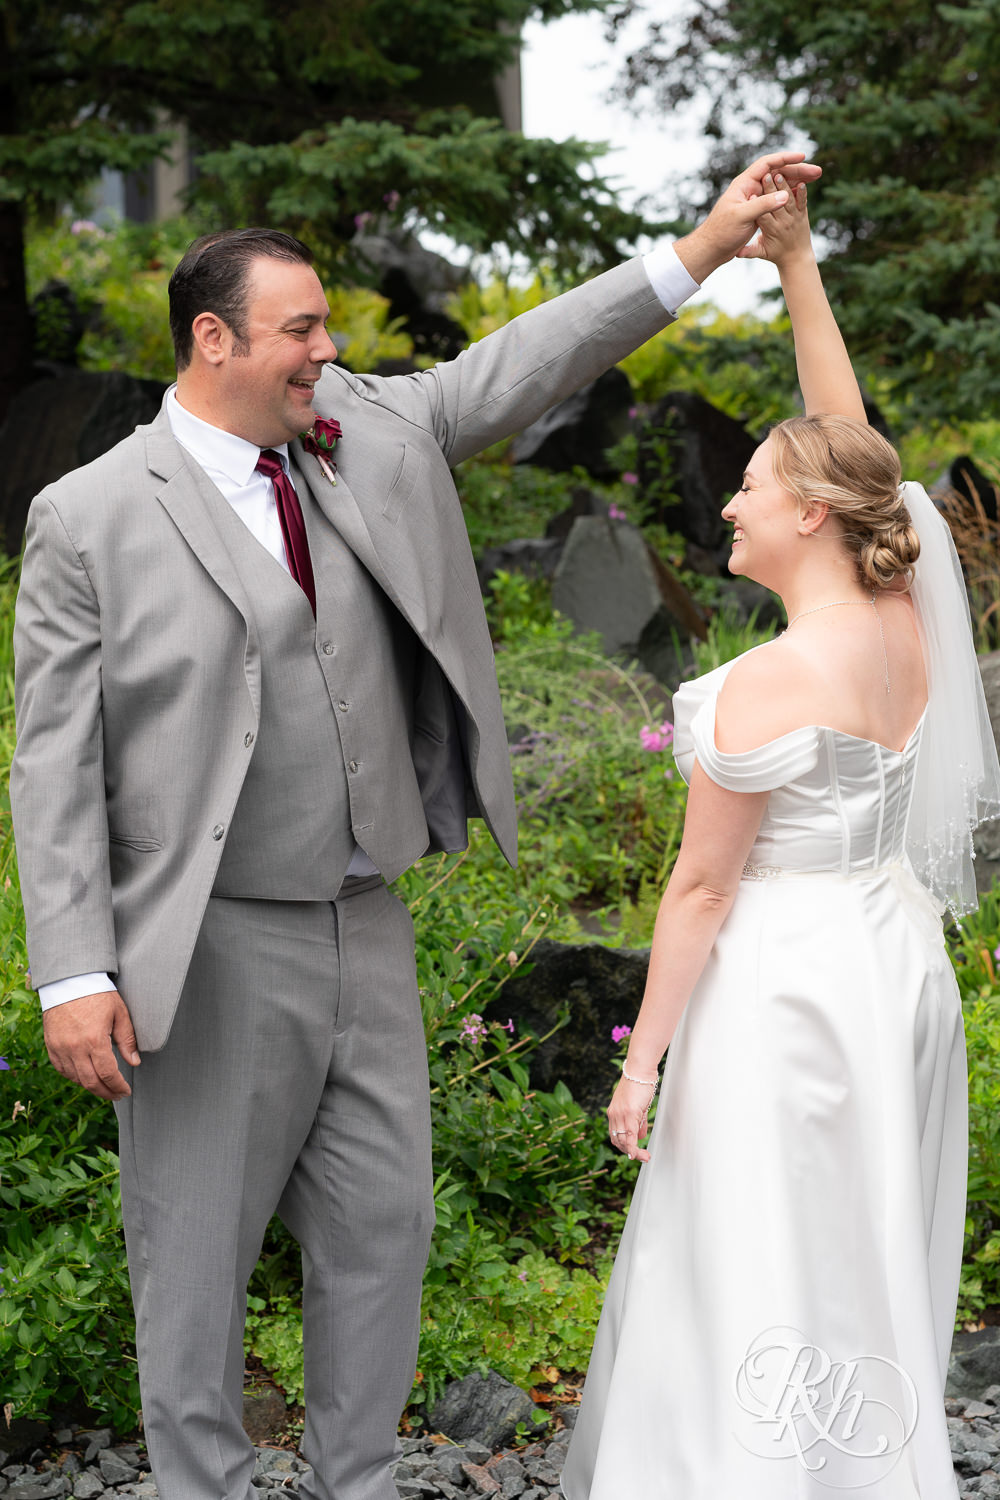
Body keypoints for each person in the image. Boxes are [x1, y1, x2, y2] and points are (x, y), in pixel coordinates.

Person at [9, 155, 817, 1500]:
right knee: (195, 1254)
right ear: (214, 341)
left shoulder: (362, 430)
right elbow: (54, 759)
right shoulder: (91, 515)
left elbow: (519, 366)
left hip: (368, 921)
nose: (328, 351)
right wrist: (74, 969)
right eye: (301, 331)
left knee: (385, 1228)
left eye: (329, 326)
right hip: (205, 947)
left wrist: (704, 247)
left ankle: (360, 1481)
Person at [560, 176, 1000, 1497]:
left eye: (751, 486)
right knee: (855, 1251)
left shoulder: (761, 685)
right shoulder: (913, 623)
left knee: (749, 1257)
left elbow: (699, 893)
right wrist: (797, 267)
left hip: (786, 994)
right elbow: (848, 437)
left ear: (812, 515)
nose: (731, 504)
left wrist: (641, 1066)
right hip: (894, 974)